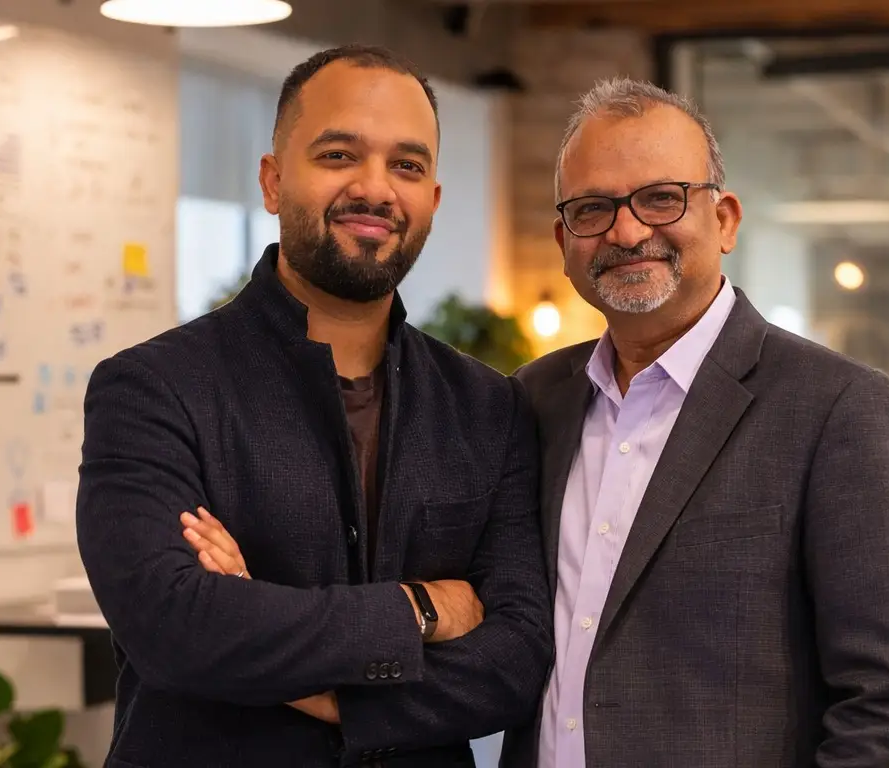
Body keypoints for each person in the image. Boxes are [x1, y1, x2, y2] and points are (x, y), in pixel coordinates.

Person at [76, 44, 552, 768]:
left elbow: (515, 659)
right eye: (338, 155)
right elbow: (176, 627)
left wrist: (310, 679)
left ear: (432, 199)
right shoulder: (151, 389)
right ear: (272, 182)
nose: (375, 189)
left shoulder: (489, 407)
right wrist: (421, 609)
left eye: (408, 166)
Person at [498, 78, 889, 768]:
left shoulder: (837, 407)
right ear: (564, 240)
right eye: (593, 208)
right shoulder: (532, 402)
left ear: (725, 219)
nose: (626, 230)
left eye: (660, 198)